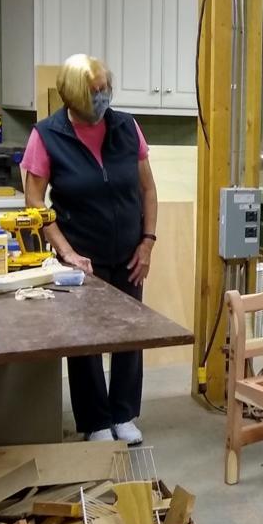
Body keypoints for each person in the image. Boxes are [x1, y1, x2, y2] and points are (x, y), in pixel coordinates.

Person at [21, 55, 159, 445]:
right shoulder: (47, 135)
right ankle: (96, 420)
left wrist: (148, 242)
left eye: (104, 88)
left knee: (129, 333)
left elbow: (147, 188)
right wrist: (66, 252)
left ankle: (124, 413)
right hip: (80, 257)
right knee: (85, 339)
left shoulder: (126, 127)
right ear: (74, 96)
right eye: (94, 91)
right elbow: (35, 201)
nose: (102, 97)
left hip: (129, 251)